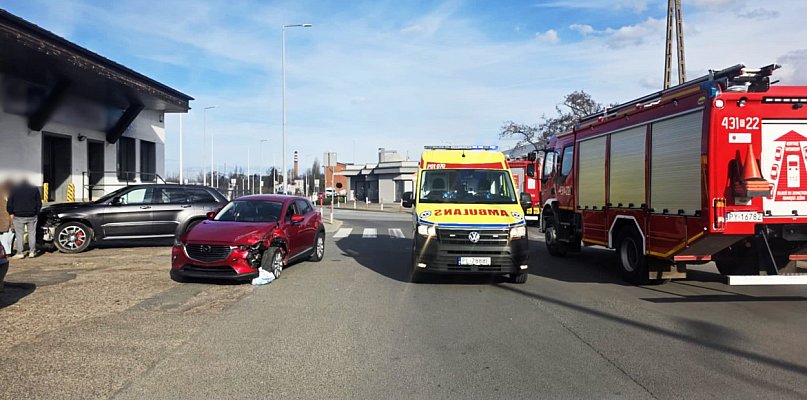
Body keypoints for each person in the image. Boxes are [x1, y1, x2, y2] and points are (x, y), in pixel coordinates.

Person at [7, 179, 41, 259]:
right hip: (32, 215)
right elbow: (39, 203)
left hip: (18, 215)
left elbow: (10, 202)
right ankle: (32, 252)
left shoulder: (14, 189)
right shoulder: (35, 189)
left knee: (19, 235)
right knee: (32, 234)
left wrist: (10, 212)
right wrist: (37, 212)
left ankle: (20, 253)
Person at [0, 180, 13, 255]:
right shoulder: (9, 194)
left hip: (4, 219)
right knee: (7, 235)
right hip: (6, 218)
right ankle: (7, 251)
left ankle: (6, 251)